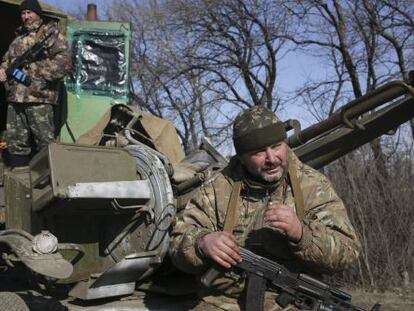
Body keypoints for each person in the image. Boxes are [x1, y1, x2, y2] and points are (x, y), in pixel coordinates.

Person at [170, 105, 361, 311]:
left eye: (277, 146)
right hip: (222, 301)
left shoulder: (313, 186)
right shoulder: (217, 188)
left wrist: (302, 234)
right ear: (242, 157)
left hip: (291, 301)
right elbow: (177, 242)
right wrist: (202, 243)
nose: (271, 158)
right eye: (259, 152)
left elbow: (347, 252)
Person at [0, 0, 70, 168]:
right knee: (15, 142)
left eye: (29, 13)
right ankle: (19, 179)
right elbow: (6, 62)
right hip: (16, 99)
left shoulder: (51, 35)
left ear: (37, 14)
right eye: (23, 14)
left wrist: (36, 75)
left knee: (44, 142)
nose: (26, 17)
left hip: (39, 98)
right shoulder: (18, 40)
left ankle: (47, 183)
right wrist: (3, 71)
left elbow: (64, 63)